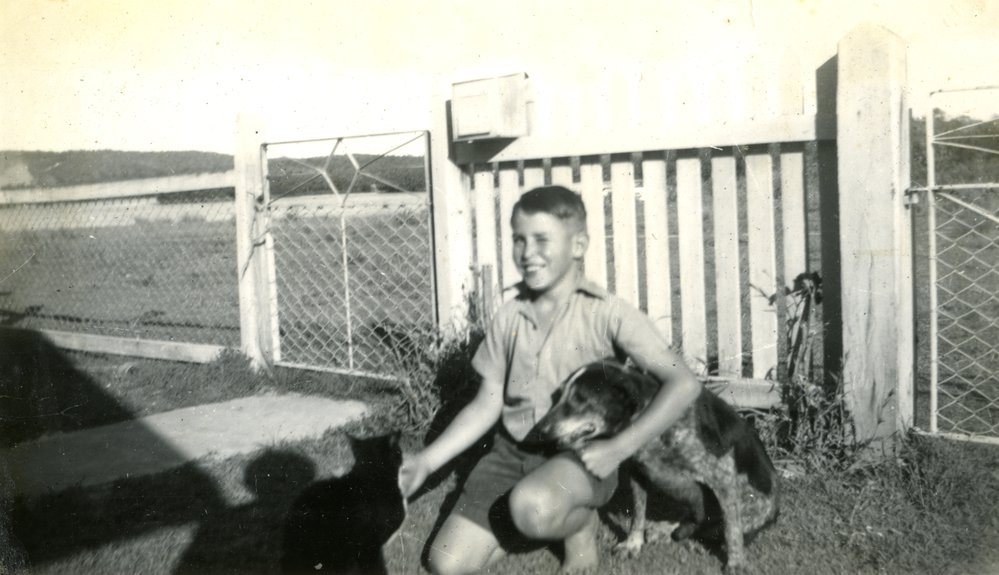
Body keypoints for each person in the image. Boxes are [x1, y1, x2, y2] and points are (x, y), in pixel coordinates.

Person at [398, 185, 702, 574]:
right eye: (519, 240)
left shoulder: (609, 314)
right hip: (511, 456)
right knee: (446, 564)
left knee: (533, 508)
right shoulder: (510, 316)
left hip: (582, 459)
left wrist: (620, 447)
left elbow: (684, 384)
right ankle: (526, 515)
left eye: (542, 239)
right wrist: (426, 460)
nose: (527, 252)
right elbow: (486, 404)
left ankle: (580, 529)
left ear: (578, 245)